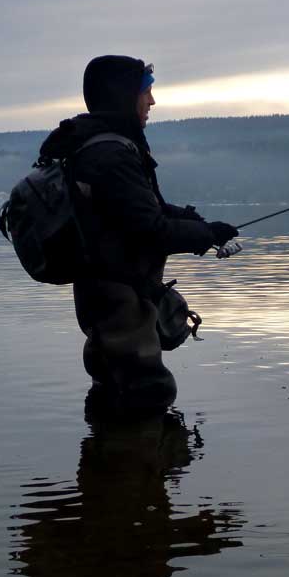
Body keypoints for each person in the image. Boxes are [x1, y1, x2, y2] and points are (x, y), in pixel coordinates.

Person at [37, 55, 238, 408]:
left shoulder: (106, 146)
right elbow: (151, 229)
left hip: (108, 293)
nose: (152, 101)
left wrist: (201, 227)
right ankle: (131, 459)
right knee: (144, 392)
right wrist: (204, 235)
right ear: (122, 94)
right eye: (146, 91)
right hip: (118, 299)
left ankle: (117, 458)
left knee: (114, 390)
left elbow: (148, 209)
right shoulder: (110, 154)